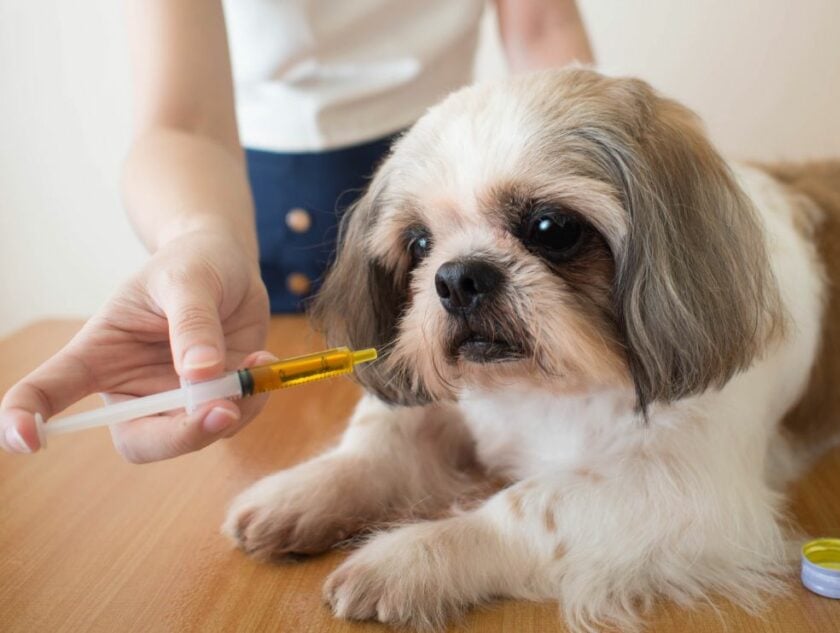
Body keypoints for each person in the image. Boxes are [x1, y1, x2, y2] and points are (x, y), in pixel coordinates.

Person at [0, 0, 593, 462]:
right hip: (255, 222)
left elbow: (543, 32)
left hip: (455, 181)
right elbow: (183, 121)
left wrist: (578, 220)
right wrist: (196, 239)